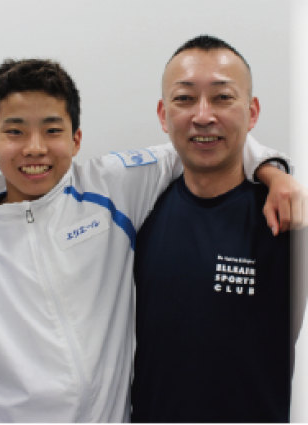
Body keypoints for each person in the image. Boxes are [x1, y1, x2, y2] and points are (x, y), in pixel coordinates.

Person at [0, 58, 297, 422]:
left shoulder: (111, 189)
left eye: (52, 130)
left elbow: (203, 139)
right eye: (15, 131)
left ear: (76, 139)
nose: (34, 147)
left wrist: (273, 172)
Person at [132, 35, 303, 423]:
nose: (203, 116)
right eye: (185, 98)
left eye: (223, 97)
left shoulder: (288, 217)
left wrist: (276, 174)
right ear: (162, 113)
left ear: (252, 112)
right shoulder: (140, 208)